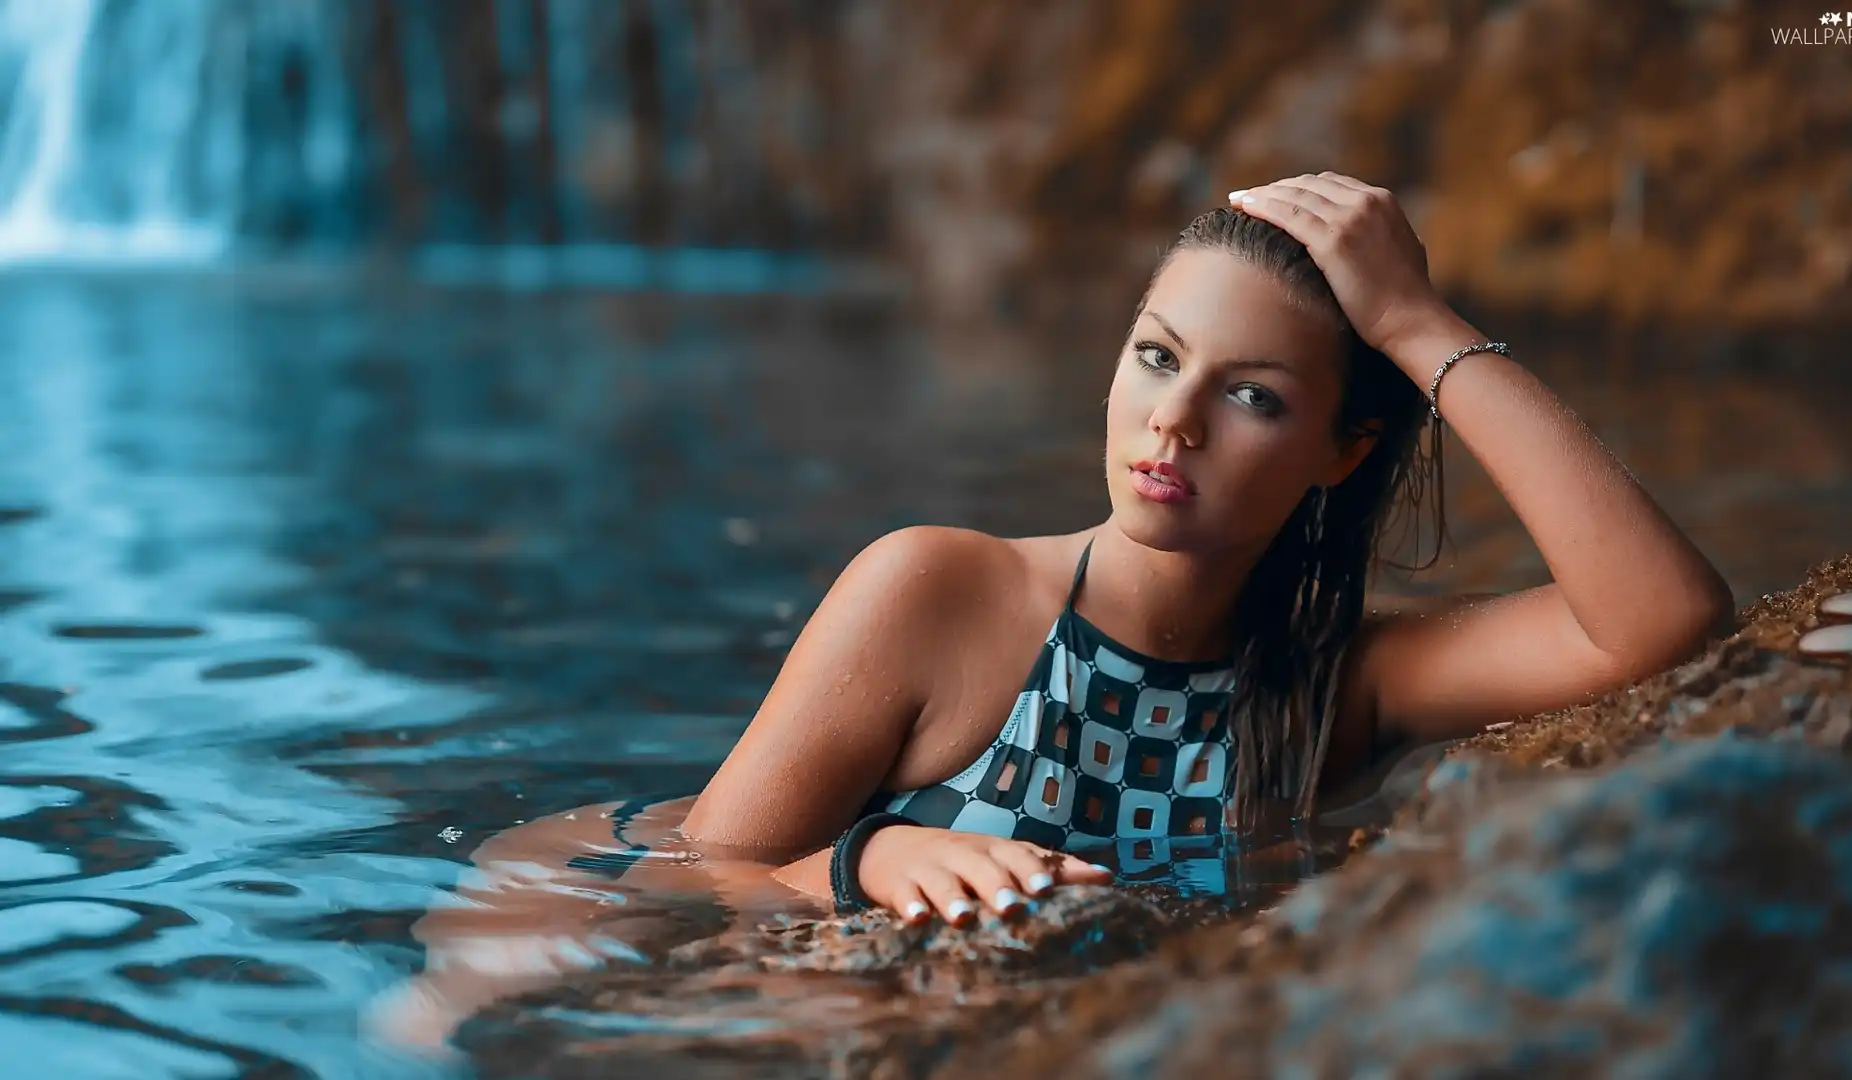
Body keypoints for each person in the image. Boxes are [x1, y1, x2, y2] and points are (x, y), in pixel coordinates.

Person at [378, 173, 1733, 1045]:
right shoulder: (939, 592)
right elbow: (694, 875)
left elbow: (1660, 619)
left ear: (1344, 452)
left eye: (1250, 396)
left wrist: (1421, 325)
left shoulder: (1342, 686)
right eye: (1156, 355)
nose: (1172, 420)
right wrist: (863, 867)